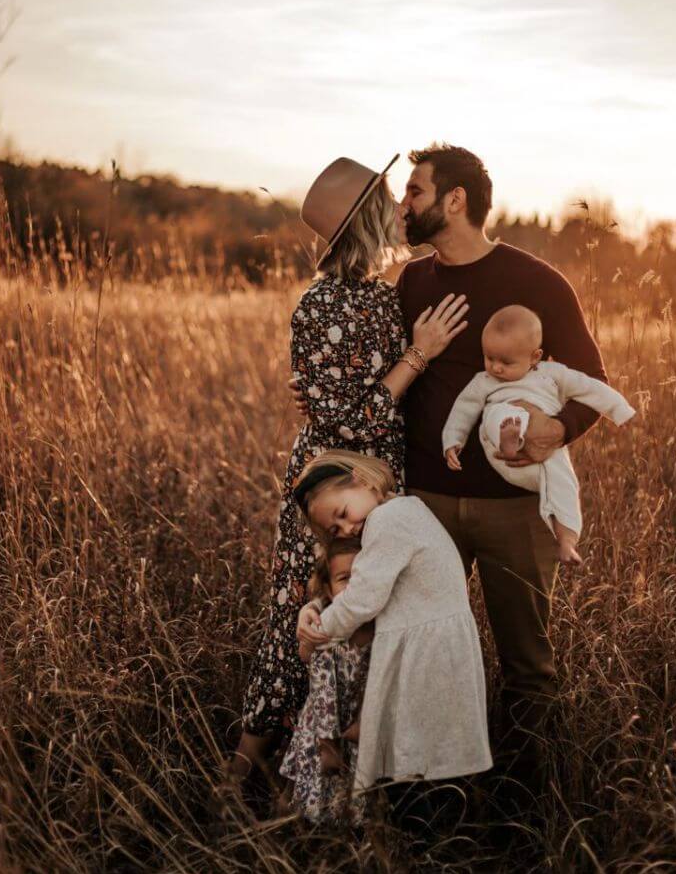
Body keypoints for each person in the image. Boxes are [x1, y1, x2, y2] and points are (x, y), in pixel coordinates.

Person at [232, 154, 469, 780]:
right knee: (298, 619)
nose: (400, 210)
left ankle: (343, 779)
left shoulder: (378, 296)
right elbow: (350, 422)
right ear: (365, 220)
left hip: (379, 485)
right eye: (389, 200)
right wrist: (418, 355)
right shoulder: (322, 304)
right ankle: (243, 774)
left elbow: (364, 403)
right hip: (332, 487)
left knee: (364, 623)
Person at [396, 141, 613, 784]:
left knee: (527, 664)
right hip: (427, 505)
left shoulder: (538, 283)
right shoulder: (410, 282)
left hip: (518, 510)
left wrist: (558, 425)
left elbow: (591, 381)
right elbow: (387, 376)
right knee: (423, 650)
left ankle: (526, 803)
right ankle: (432, 793)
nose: (403, 205)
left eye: (415, 192)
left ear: (454, 200)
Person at [295, 450, 493, 832]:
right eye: (335, 531)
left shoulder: (388, 521)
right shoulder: (405, 510)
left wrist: (318, 633)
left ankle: (425, 837)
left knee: (418, 750)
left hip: (428, 650)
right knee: (431, 744)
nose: (347, 529)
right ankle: (437, 828)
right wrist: (318, 606)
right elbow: (361, 582)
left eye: (341, 514)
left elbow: (362, 597)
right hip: (432, 642)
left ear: (363, 480)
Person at [443, 304, 636, 566]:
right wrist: (453, 442)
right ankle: (511, 436)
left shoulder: (552, 375)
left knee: (564, 478)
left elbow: (590, 387)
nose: (496, 368)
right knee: (498, 415)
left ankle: (566, 539)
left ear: (535, 357)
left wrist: (620, 411)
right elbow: (463, 409)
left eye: (506, 362)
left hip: (542, 456)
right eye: (490, 358)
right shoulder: (484, 381)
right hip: (501, 454)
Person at [278, 535, 372, 826]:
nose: (354, 586)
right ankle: (288, 834)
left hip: (360, 724)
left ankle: (346, 838)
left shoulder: (381, 626)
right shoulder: (328, 630)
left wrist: (366, 719)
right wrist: (327, 741)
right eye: (344, 579)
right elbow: (322, 689)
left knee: (351, 794)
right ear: (329, 592)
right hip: (323, 726)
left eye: (362, 576)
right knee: (309, 788)